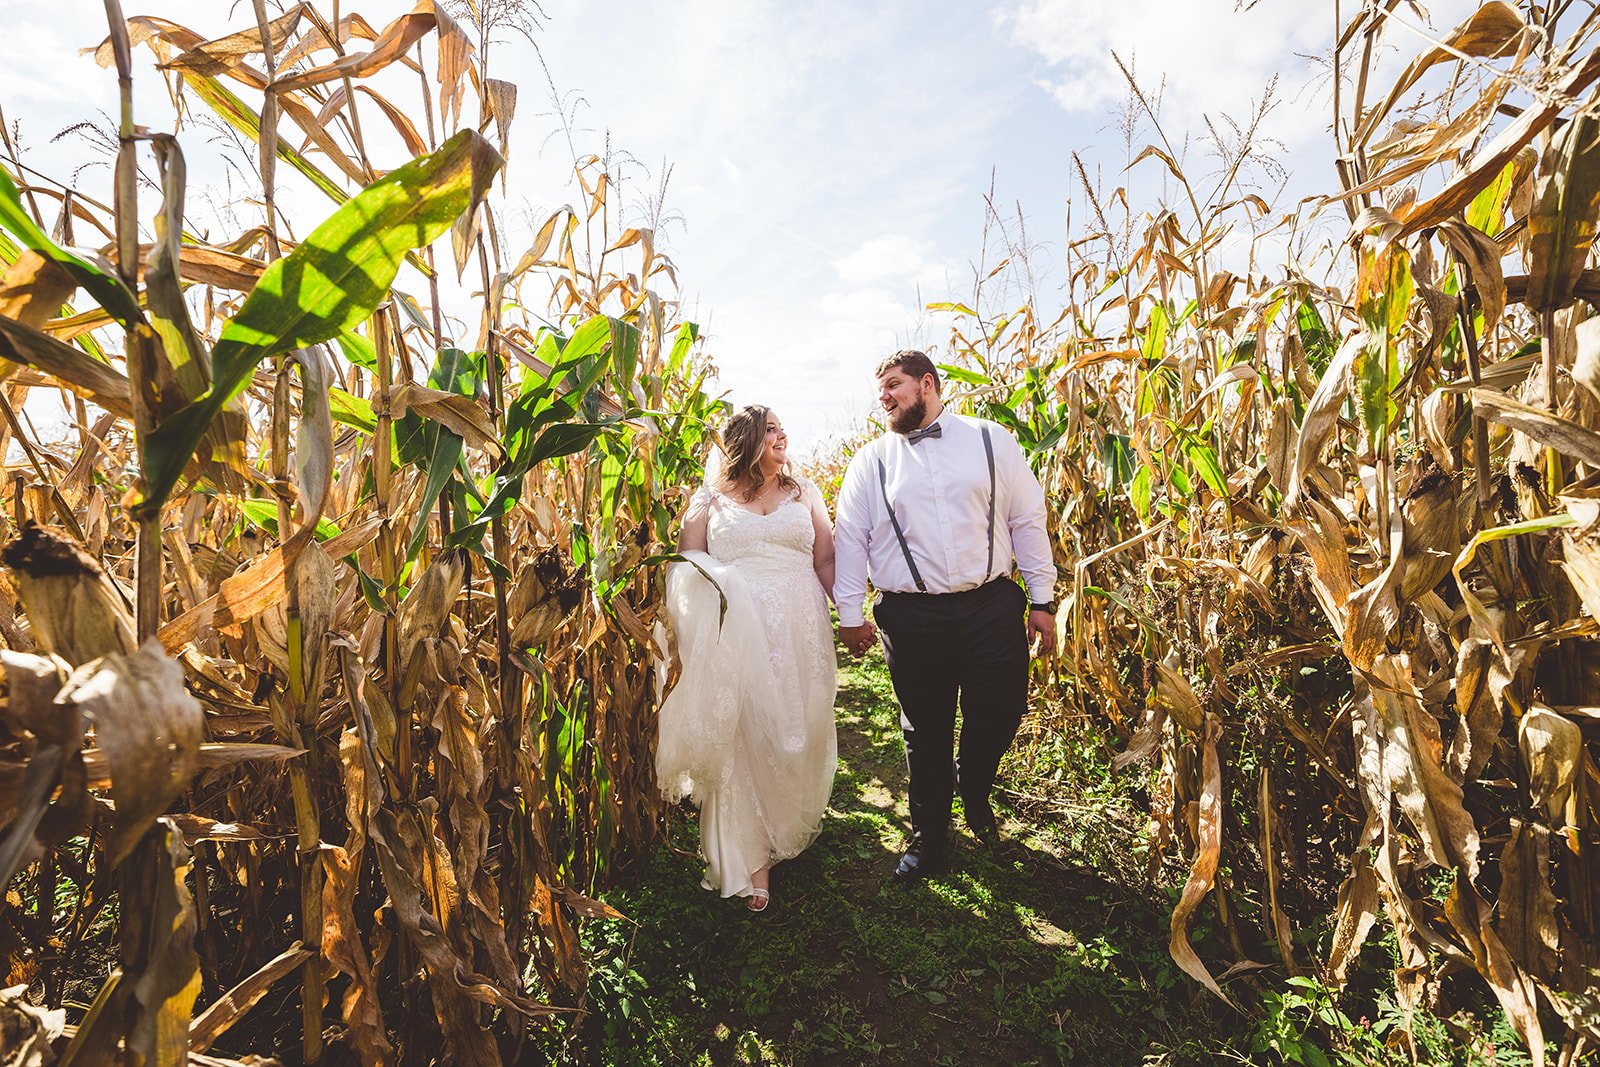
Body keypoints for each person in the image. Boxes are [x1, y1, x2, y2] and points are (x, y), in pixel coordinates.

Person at [833, 350, 1057, 881]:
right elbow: (851, 540)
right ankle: (931, 835)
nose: (884, 397)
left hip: (991, 605)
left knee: (1002, 710)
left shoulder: (990, 440)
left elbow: (1027, 518)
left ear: (927, 384)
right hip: (912, 617)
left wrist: (1042, 600)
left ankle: (973, 787)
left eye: (894, 385)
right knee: (925, 730)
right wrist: (849, 614)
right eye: (880, 389)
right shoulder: (871, 462)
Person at [656, 405, 839, 911]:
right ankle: (749, 857)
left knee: (796, 727)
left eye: (784, 427)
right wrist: (725, 588)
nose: (784, 435)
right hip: (737, 630)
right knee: (744, 730)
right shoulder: (709, 499)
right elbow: (685, 562)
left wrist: (850, 613)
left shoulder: (805, 492)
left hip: (801, 627)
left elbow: (825, 556)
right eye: (773, 428)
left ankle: (784, 821)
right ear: (749, 438)